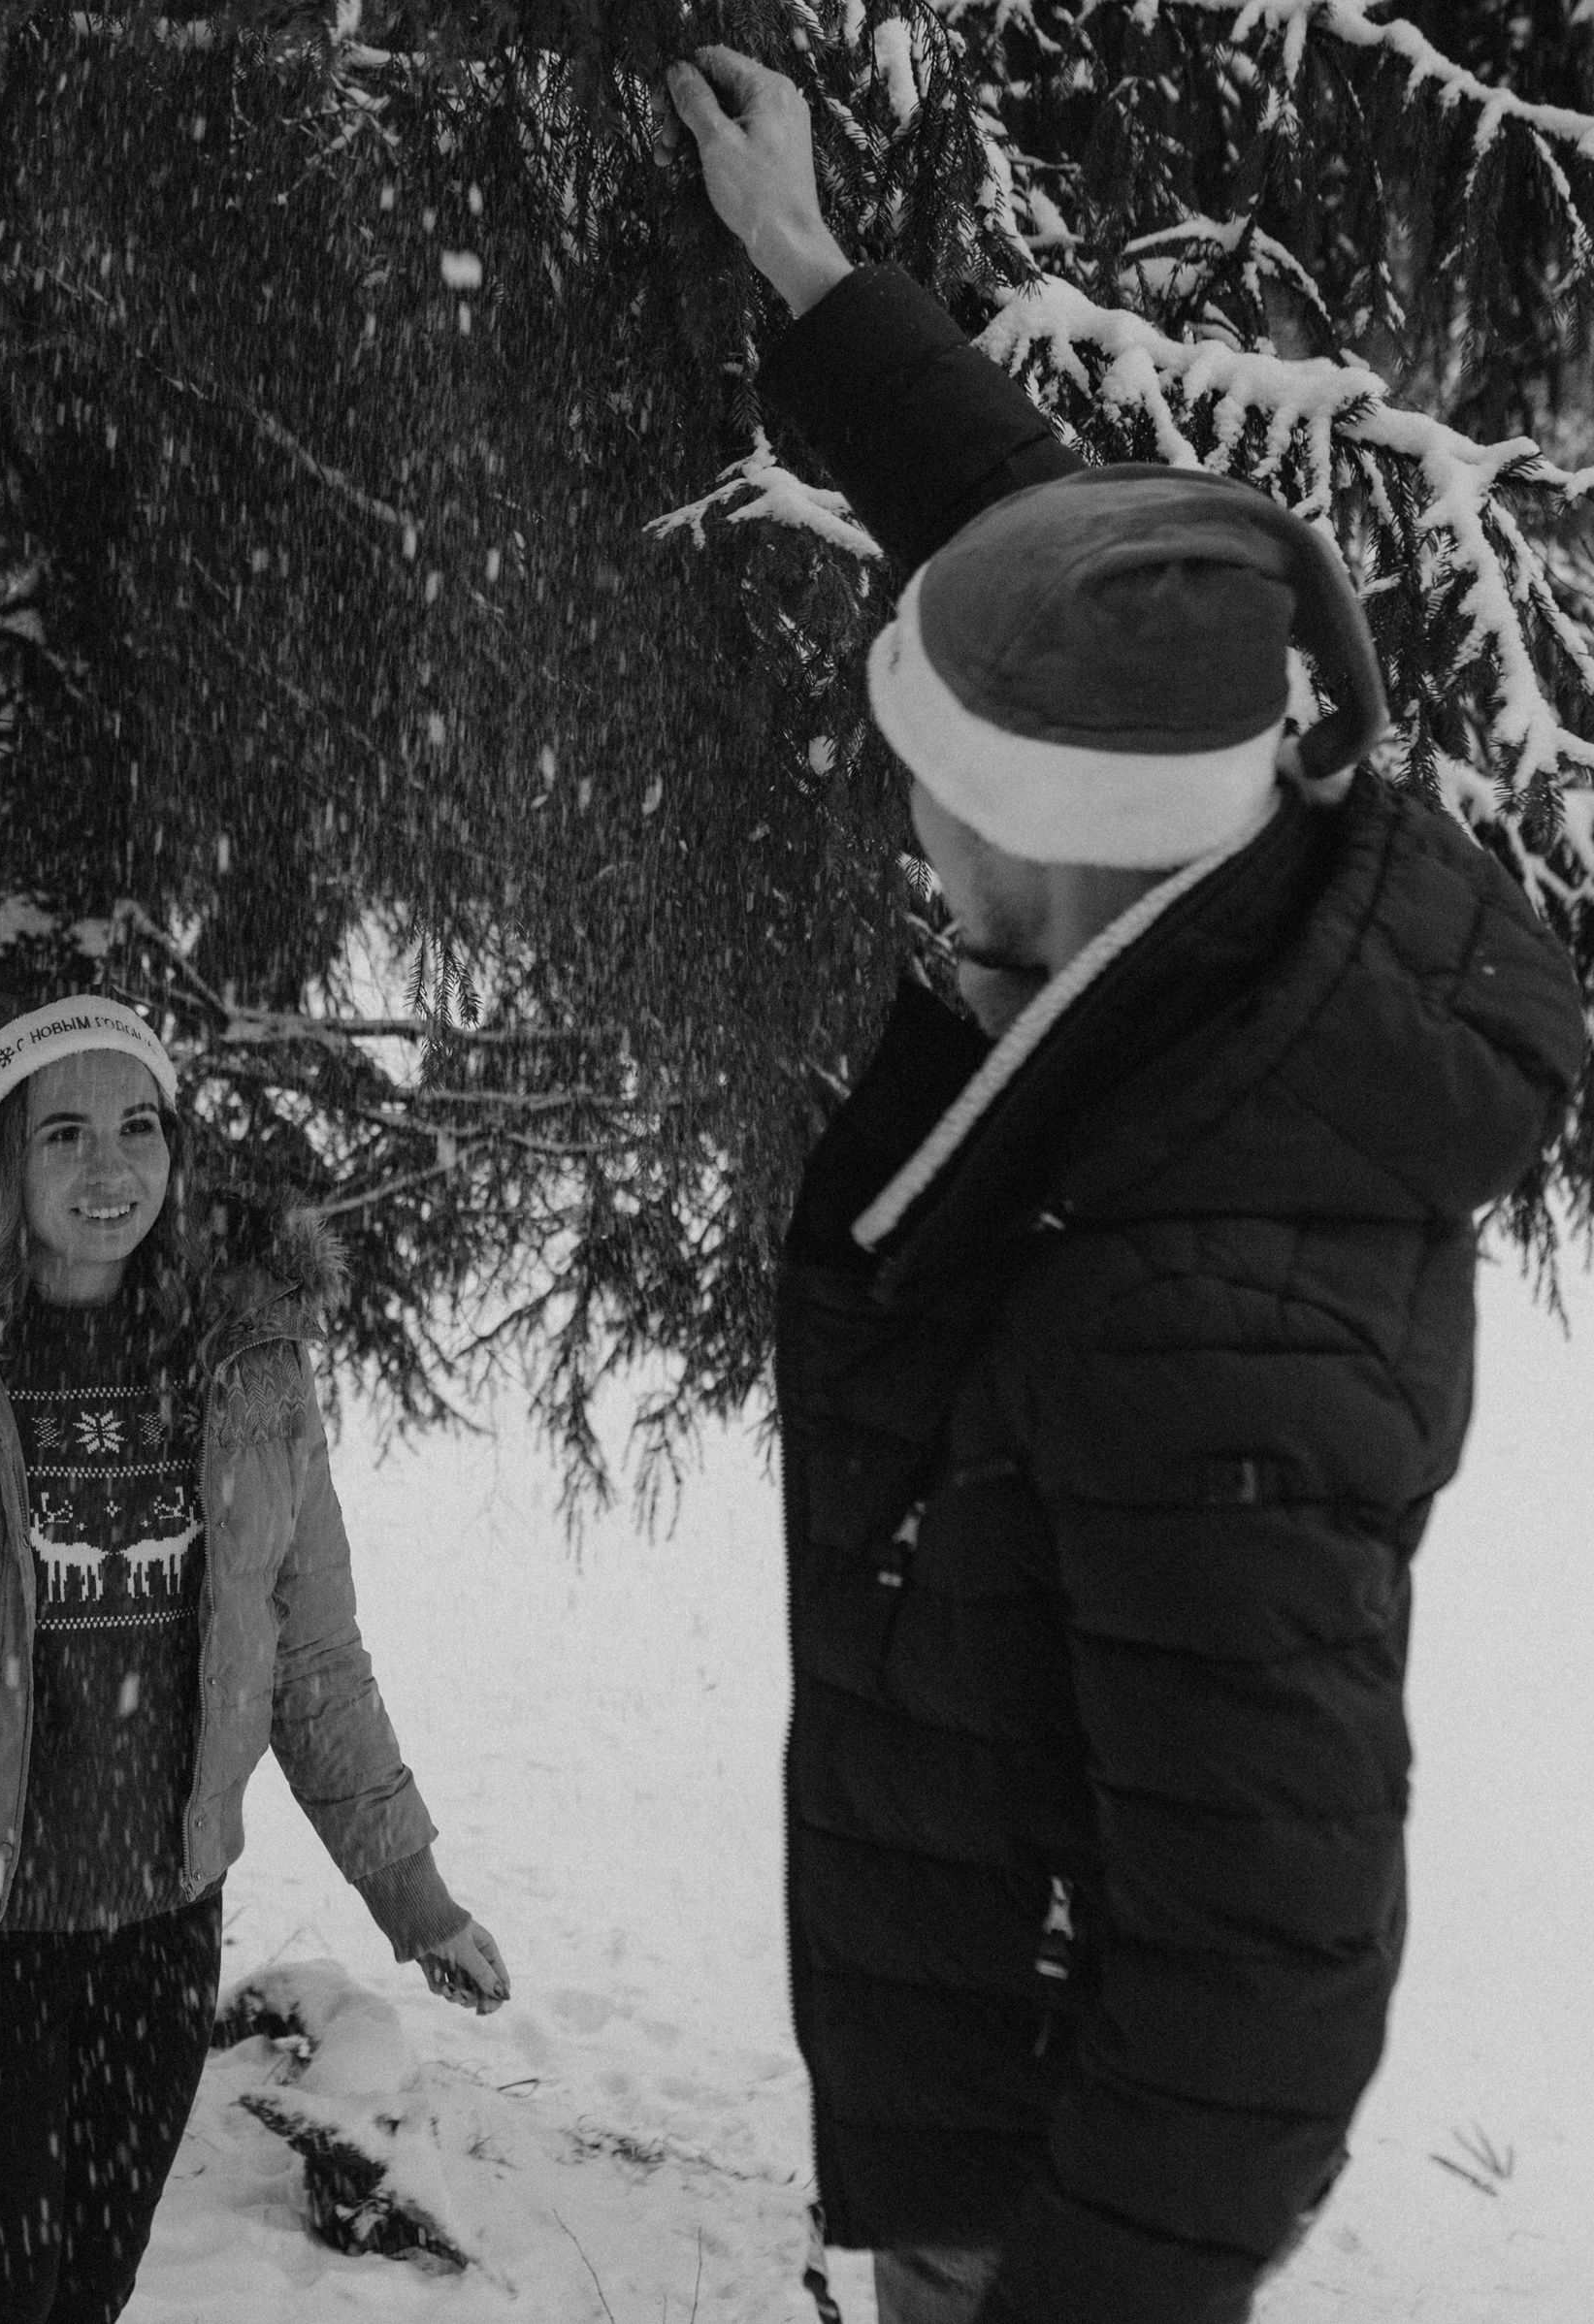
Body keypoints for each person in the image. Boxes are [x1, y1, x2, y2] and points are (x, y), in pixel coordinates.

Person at [663, 48, 1587, 2324]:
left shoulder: (1203, 1322)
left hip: (1047, 2203)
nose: (902, 823)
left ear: (1044, 843)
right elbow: (1062, 555)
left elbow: (1266, 1971)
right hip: (999, 2087)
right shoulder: (1210, 876)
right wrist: (806, 265)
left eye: (927, 791)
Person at [0, 994, 509, 2324]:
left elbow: (314, 1661)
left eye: (140, 1127)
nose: (111, 1171)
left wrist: (414, 1894)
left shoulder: (251, 1363)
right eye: (65, 1135)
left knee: (81, 2294)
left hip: (155, 1934)